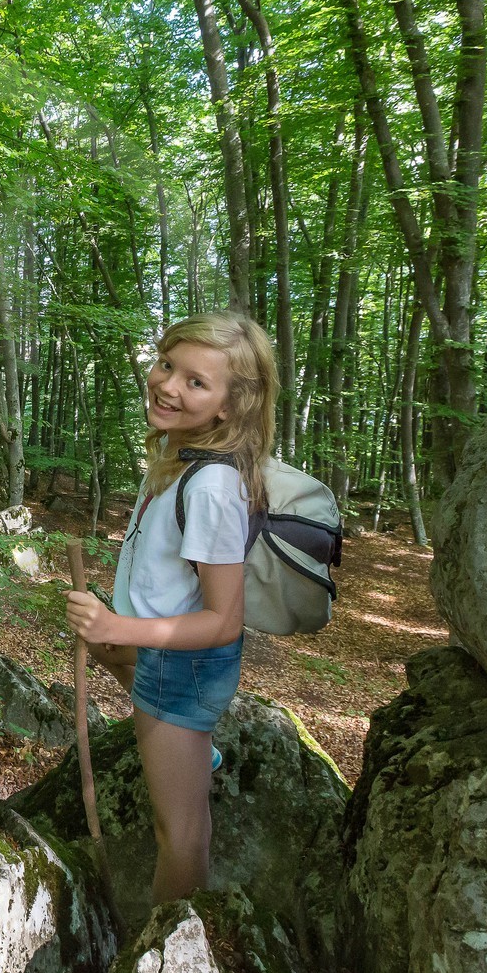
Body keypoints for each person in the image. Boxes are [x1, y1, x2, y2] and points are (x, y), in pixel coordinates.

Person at [63, 310, 278, 905]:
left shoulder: (209, 487)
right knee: (108, 649)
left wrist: (116, 624)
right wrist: (114, 634)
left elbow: (223, 622)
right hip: (159, 654)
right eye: (166, 365)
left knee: (177, 833)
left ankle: (172, 943)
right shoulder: (177, 458)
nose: (168, 385)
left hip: (180, 671)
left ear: (230, 407)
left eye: (196, 383)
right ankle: (190, 754)